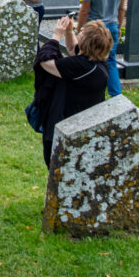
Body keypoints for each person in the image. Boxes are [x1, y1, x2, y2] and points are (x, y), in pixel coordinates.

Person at [35, 16, 111, 167]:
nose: (79, 30)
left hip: (64, 124)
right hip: (85, 125)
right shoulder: (97, 64)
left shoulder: (80, 66)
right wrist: (69, 32)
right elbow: (73, 49)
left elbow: (45, 61)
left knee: (57, 168)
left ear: (87, 42)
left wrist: (56, 35)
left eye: (82, 31)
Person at [77, 0, 127, 98]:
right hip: (111, 26)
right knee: (111, 62)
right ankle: (116, 96)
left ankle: (88, 94)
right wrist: (119, 27)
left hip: (93, 28)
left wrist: (78, 28)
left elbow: (84, 11)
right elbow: (121, 9)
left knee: (87, 60)